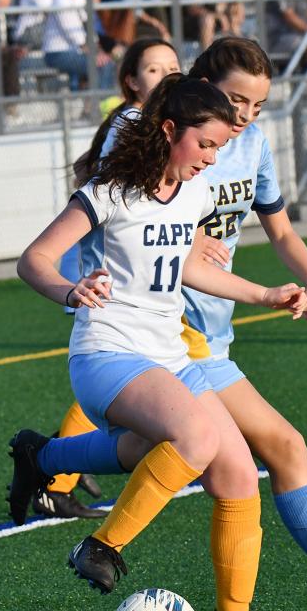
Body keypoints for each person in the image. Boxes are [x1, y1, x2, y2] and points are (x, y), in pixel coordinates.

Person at [44, 37, 307, 611]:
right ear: (197, 91)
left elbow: (275, 230)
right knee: (250, 444)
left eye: (258, 106)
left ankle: (43, 459)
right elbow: (112, 213)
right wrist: (95, 273)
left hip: (204, 335)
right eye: (234, 102)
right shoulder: (144, 132)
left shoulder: (246, 144)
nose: (245, 118)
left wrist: (301, 280)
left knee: (196, 455)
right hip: (165, 329)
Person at [9, 73, 306, 611]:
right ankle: (101, 546)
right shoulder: (110, 191)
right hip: (107, 351)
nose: (213, 157)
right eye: (206, 144)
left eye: (221, 146)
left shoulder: (195, 192)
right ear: (170, 130)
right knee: (192, 436)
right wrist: (71, 290)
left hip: (170, 354)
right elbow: (33, 259)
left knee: (238, 475)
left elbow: (188, 267)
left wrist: (263, 294)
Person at [30, 38, 182, 521]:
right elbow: (115, 195)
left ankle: (59, 469)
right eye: (154, 70)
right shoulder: (134, 123)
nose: (165, 76)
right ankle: (58, 477)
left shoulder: (157, 127)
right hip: (118, 280)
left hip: (144, 282)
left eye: (173, 67)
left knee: (131, 388)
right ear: (132, 82)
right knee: (130, 384)